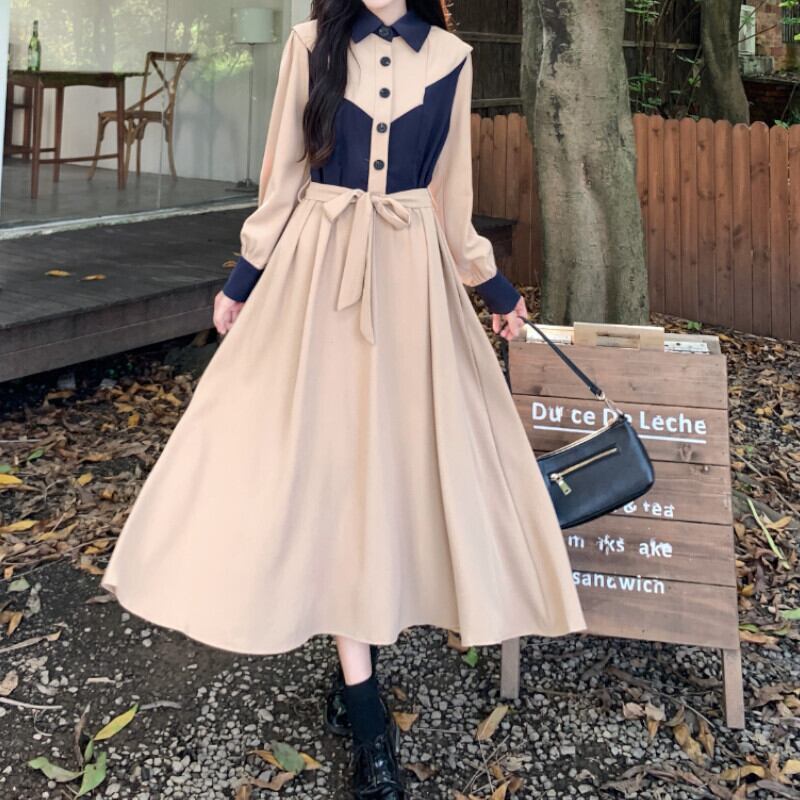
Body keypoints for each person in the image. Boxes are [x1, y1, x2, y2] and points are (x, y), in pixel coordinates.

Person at [100, 1, 588, 797]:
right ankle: (368, 722)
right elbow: (285, 175)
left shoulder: (453, 58)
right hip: (316, 278)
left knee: (393, 472)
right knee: (320, 469)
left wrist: (494, 287)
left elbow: (451, 197)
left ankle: (356, 662)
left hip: (411, 284)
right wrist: (243, 279)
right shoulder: (310, 45)